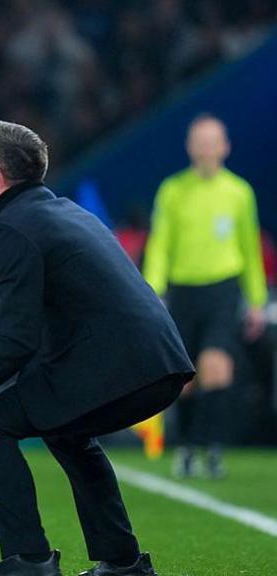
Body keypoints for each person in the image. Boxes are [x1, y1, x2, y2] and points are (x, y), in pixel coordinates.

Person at [0, 120, 194, 576]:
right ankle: (123, 564)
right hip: (154, 361)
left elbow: (18, 339)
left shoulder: (13, 229)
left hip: (126, 365)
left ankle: (29, 560)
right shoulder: (59, 212)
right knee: (66, 430)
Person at [141, 114, 268, 479]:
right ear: (190, 147)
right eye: (201, 141)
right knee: (186, 377)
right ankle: (186, 446)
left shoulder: (239, 192)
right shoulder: (173, 190)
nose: (208, 148)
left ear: (225, 146)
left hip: (223, 288)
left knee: (217, 367)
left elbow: (249, 247)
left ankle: (211, 446)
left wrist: (256, 299)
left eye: (214, 141)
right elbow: (161, 243)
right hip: (183, 289)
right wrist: (153, 288)